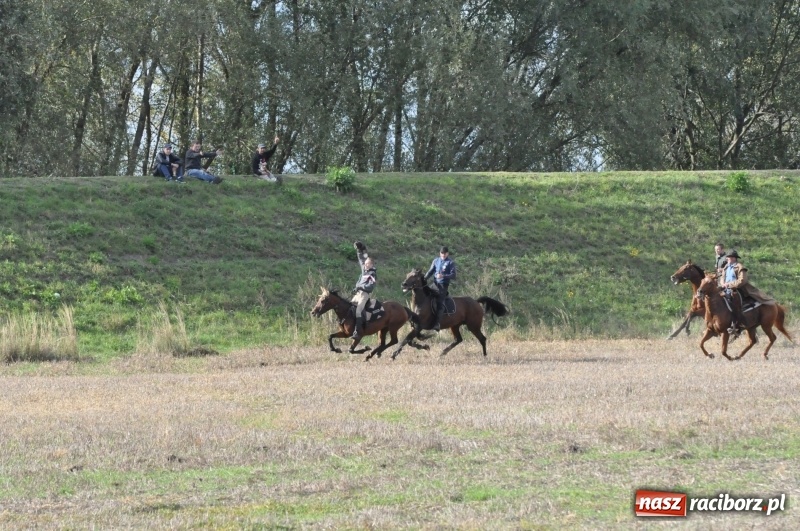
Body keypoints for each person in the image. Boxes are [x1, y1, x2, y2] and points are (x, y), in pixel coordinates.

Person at [720, 249, 775, 333]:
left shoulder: (740, 267)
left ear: (734, 258)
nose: (727, 259)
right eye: (727, 257)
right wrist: (723, 283)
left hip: (737, 290)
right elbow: (722, 278)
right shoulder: (726, 267)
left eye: (729, 257)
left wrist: (729, 285)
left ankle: (736, 324)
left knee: (733, 304)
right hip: (725, 289)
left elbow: (742, 280)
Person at [424, 246, 456, 331]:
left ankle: (437, 323)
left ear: (447, 253)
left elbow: (453, 275)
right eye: (442, 253)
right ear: (440, 253)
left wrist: (443, 276)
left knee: (440, 303)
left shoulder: (450, 262)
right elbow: (430, 271)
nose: (443, 255)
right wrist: (424, 278)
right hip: (435, 284)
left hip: (443, 285)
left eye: (445, 254)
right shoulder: (436, 261)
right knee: (425, 293)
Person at [350, 241, 376, 339]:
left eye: (368, 264)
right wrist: (360, 250)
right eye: (365, 264)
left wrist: (361, 287)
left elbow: (371, 286)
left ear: (372, 265)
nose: (365, 265)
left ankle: (358, 332)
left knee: (358, 311)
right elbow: (362, 259)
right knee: (349, 308)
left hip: (364, 294)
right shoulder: (364, 270)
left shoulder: (372, 274)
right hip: (358, 293)